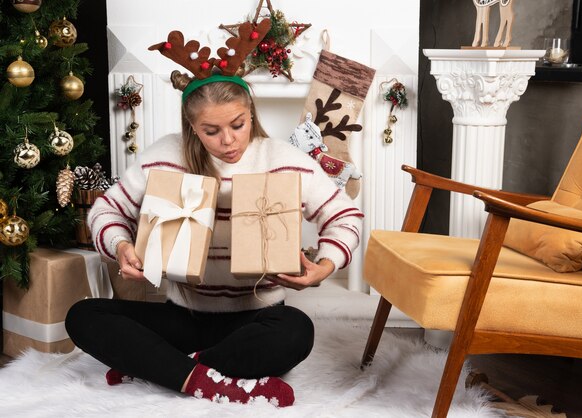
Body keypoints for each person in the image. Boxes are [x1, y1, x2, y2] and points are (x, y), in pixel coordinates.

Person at [65, 66, 364, 408]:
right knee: (83, 315)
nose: (228, 140)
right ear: (193, 128)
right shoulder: (165, 157)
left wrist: (324, 267)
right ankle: (211, 380)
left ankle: (161, 366)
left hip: (257, 318)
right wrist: (121, 247)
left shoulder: (284, 159)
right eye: (211, 131)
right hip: (183, 316)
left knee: (297, 331)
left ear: (250, 113)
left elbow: (345, 216)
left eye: (238, 124)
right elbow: (106, 211)